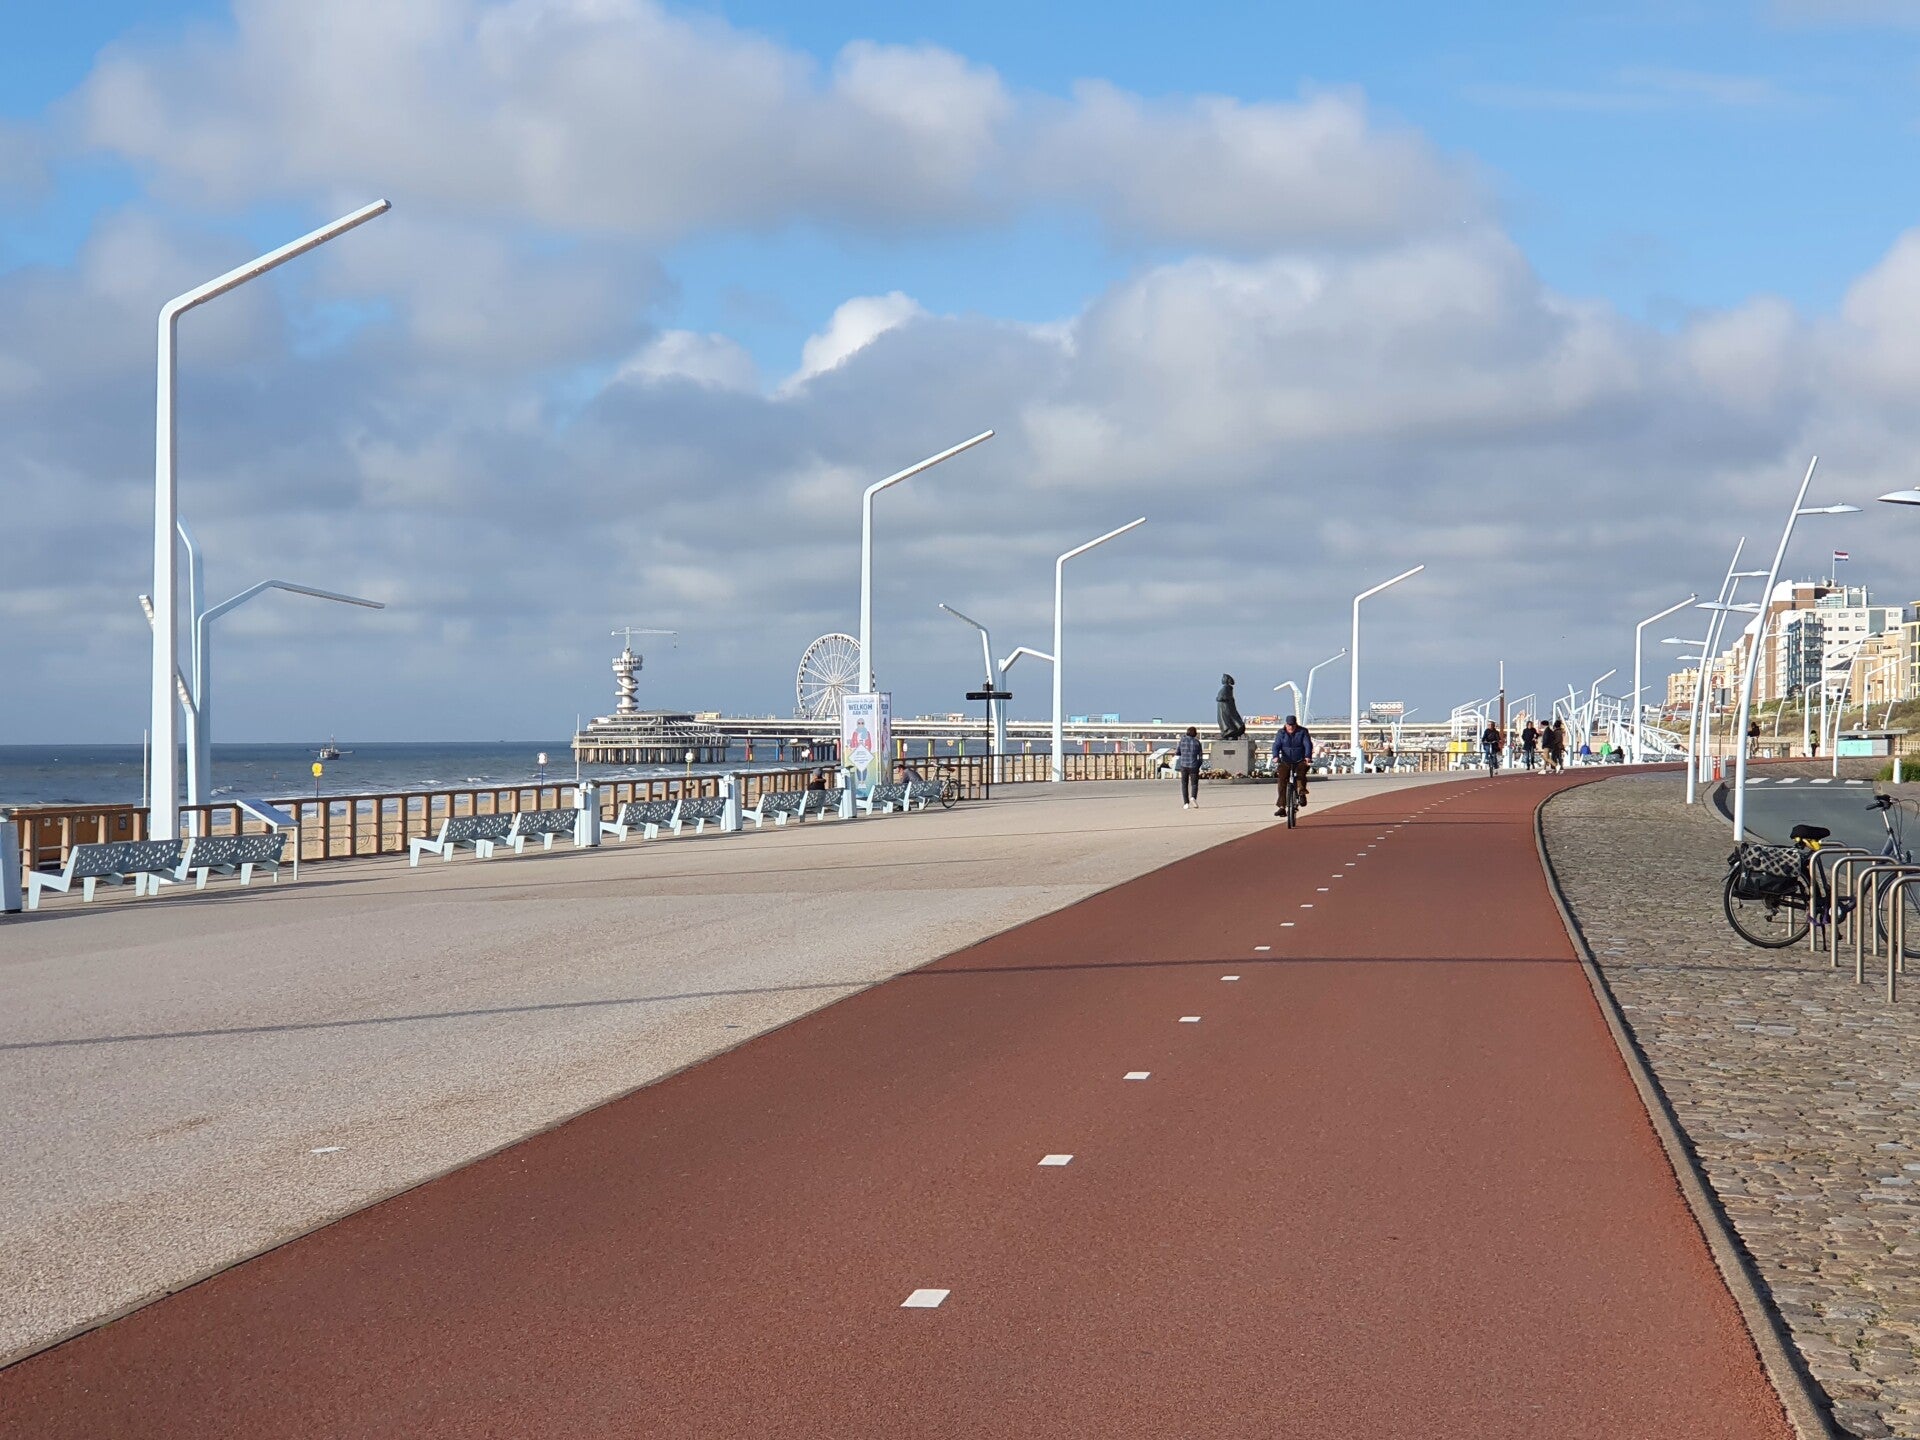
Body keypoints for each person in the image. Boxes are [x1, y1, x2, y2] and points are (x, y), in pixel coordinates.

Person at [1273, 715, 1313, 815]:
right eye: (1289, 725)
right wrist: (1275, 756)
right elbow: (1276, 745)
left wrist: (1307, 756)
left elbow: (1308, 744)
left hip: (1300, 760)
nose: (1291, 727)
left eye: (1293, 725)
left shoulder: (1302, 731)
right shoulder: (1281, 733)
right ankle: (1282, 807)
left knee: (1301, 773)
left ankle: (1302, 793)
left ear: (1296, 724)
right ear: (1286, 724)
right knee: (1282, 780)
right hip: (1285, 761)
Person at [1174, 725, 1204, 809]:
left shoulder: (1182, 741)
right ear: (1195, 733)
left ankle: (1186, 803)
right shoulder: (1197, 742)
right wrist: (1198, 765)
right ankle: (1193, 797)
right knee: (1194, 784)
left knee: (1184, 784)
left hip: (1184, 765)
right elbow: (1200, 756)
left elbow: (1177, 752)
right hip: (1194, 765)